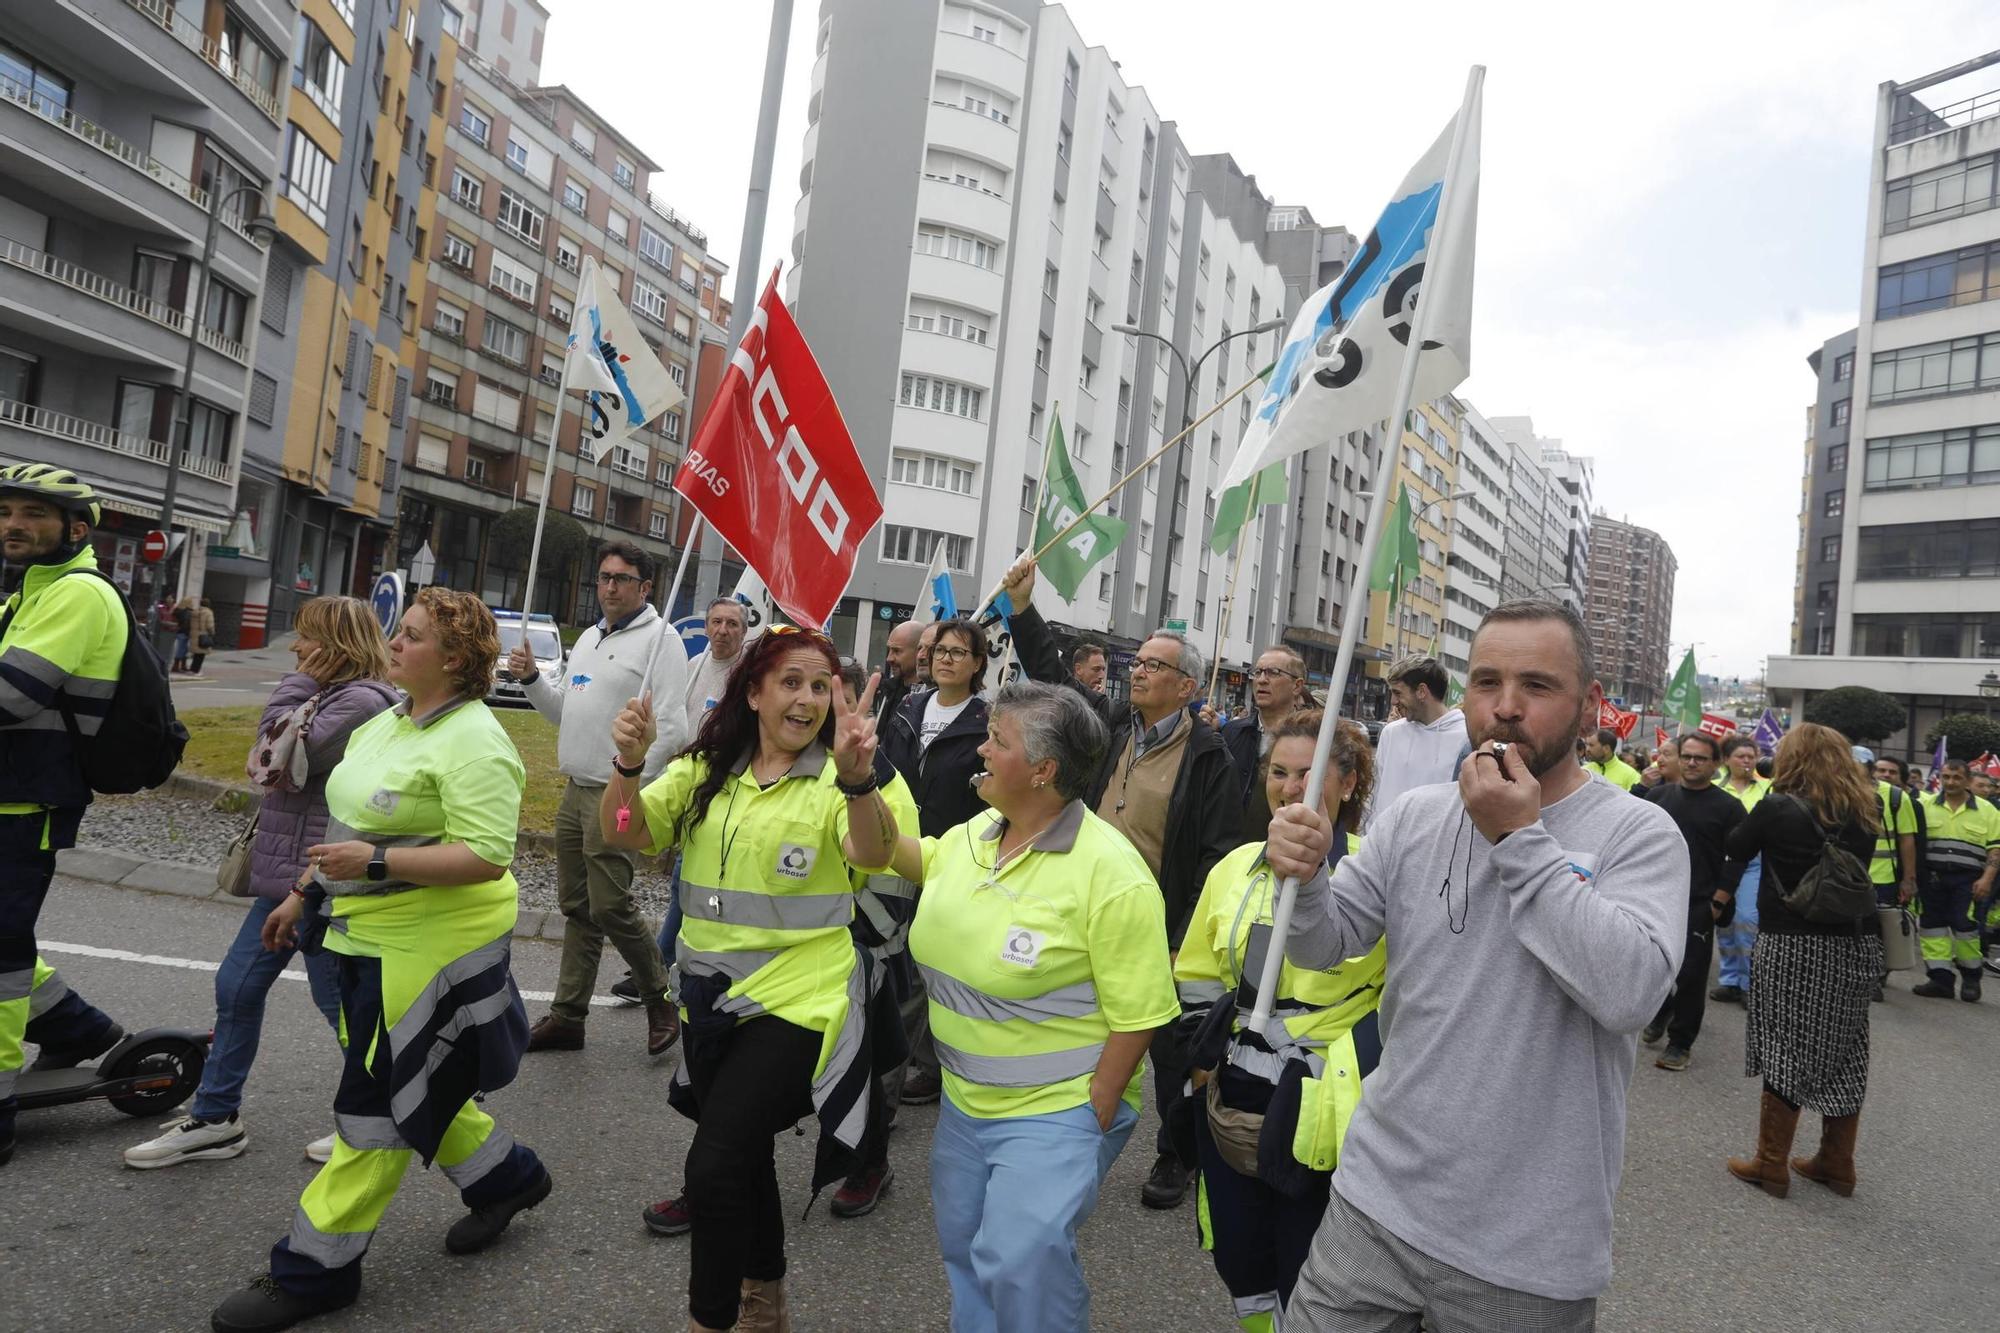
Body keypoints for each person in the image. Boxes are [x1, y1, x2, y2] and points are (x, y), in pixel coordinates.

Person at [1275, 598, 1688, 1330]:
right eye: (1487, 681)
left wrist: (1521, 838)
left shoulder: (1641, 833)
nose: (1505, 707)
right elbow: (1324, 946)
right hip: (1373, 1202)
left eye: (1536, 685)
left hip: (1527, 1249)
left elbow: (1631, 994)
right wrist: (1306, 882)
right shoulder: (1413, 815)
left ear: (1589, 706)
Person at [212, 588, 550, 1332]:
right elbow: (347, 824)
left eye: (414, 635)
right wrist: (303, 891)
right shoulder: (389, 722)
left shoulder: (477, 740)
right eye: (402, 631)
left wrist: (373, 863)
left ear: (455, 660)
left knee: (372, 1110)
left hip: (431, 951)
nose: (394, 643)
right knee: (411, 1082)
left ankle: (313, 1271)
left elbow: (488, 856)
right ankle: (512, 1179)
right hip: (362, 933)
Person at [602, 627, 914, 1332]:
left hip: (801, 1005)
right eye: (790, 682)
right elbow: (626, 829)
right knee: (741, 1155)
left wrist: (861, 779)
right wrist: (626, 763)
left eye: (817, 685)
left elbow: (875, 851)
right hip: (712, 1003)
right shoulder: (711, 769)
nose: (805, 698)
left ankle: (710, 1319)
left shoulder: (839, 777)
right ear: (753, 692)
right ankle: (763, 1301)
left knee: (711, 1168)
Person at [881, 681, 1178, 1333]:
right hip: (966, 1105)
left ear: (1043, 770)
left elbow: (1142, 1011)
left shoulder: (1112, 873)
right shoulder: (976, 835)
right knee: (970, 1254)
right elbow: (891, 853)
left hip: (1054, 1111)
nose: (980, 749)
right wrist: (856, 781)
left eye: (997, 740)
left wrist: (1091, 1112)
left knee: (1021, 1259)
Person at [124, 597, 399, 1170]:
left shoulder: (360, 703)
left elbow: (272, 757)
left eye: (306, 640)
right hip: (288, 879)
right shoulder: (328, 695)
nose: (296, 649)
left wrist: (298, 681)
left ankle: (381, 1116)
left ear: (335, 644)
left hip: (321, 884)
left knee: (340, 1006)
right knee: (237, 989)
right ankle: (217, 1118)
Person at [1001, 554, 1238, 1211]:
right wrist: (1022, 609)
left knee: (1167, 1052)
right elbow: (1054, 679)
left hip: (1158, 929)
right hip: (1084, 913)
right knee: (1075, 1036)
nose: (1139, 670)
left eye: (1155, 665)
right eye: (1139, 662)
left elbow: (1217, 858)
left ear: (1187, 685)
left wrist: (1185, 942)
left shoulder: (1210, 757)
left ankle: (1176, 1154)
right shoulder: (1110, 727)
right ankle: (1062, 1142)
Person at [1176, 712, 1382, 1329]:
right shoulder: (1232, 868)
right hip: (1233, 1100)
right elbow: (1196, 975)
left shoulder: (1374, 870)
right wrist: (1201, 1065)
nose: (1292, 788)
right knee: (1241, 1257)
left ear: (1347, 785)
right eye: (1280, 772)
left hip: (1326, 1113)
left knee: (1312, 1266)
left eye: (1310, 774)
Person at [0, 464, 130, 1169]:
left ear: (76, 529)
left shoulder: (77, 594)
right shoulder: (30, 592)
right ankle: (79, 1027)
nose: (12, 523)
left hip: (27, 802)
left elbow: (11, 695)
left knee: (0, 955)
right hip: (7, 793)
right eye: (6, 511)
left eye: (32, 514)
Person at [516, 541, 691, 1057]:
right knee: (577, 907)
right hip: (575, 790)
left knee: (611, 904)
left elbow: (674, 727)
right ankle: (569, 1017)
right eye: (603, 577)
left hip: (614, 790)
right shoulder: (591, 637)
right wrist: (530, 679)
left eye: (621, 578)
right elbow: (564, 710)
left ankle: (659, 997)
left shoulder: (663, 641)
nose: (609, 587)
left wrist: (631, 782)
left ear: (645, 586)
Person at [1721, 723, 1882, 1200]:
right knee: (1848, 1048)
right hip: (1855, 943)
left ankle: (1771, 1163)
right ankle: (1838, 1163)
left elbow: (1736, 844)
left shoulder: (1777, 807)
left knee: (1782, 1043)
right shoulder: (1863, 809)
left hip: (1792, 942)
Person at [876, 618, 994, 1116]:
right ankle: (899, 1070)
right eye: (940, 650)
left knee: (931, 969)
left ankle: (916, 1075)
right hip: (897, 850)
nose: (945, 659)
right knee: (893, 960)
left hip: (952, 857)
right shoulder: (906, 707)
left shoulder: (987, 721)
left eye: (958, 653)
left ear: (978, 664)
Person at [1639, 732, 1746, 1072]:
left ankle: (1680, 1042)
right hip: (1653, 897)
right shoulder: (1658, 797)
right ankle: (1660, 1009)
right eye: (1686, 756)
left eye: (1700, 758)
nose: (1691, 763)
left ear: (1716, 764)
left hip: (1699, 902)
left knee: (1691, 974)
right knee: (1651, 965)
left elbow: (1737, 858)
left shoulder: (1729, 807)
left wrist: (1719, 900)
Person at [1912, 757, 1999, 1002]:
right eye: (1946, 777)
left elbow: (1995, 849)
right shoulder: (1925, 805)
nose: (1950, 782)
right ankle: (1940, 980)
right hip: (1932, 879)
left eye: (1957, 777)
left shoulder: (1987, 810)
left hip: (1968, 880)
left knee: (1966, 928)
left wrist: (1987, 879)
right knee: (1932, 928)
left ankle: (1971, 978)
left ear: (1968, 780)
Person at [1217, 646, 1314, 845]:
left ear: (1297, 686)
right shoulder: (1231, 733)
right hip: (1231, 856)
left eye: (1273, 673)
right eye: (1258, 672)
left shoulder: (1311, 741)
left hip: (1286, 853)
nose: (1261, 679)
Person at [1368, 655, 1469, 824]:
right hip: (1381, 846)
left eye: (1398, 693)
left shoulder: (1465, 739)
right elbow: (1373, 793)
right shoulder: (1391, 733)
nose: (1393, 702)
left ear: (1421, 691)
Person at [1710, 735, 1772, 1006]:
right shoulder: (1713, 788)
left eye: (1751, 756)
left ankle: (1749, 983)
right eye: (1740, 756)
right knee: (1724, 923)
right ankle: (1730, 981)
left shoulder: (1769, 788)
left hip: (1753, 863)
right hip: (1720, 861)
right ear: (1726, 760)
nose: (1747, 761)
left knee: (1748, 920)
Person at [1855, 745, 1920, 920]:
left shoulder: (1895, 796)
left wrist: (1908, 880)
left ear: (1870, 768)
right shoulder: (1834, 791)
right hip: (1844, 877)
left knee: (1881, 933)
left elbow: (1907, 840)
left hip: (1882, 879)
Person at [682, 597, 749, 737]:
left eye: (732, 624)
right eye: (717, 622)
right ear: (706, 628)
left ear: (744, 632)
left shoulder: (751, 671)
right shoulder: (694, 665)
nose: (723, 630)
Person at [876, 618, 925, 721]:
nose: (889, 658)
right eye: (889, 650)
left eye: (896, 651)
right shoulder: (889, 690)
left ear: (919, 652)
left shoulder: (931, 699)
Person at [1583, 727, 1643, 792]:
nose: (1587, 749)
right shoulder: (1584, 770)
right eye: (1586, 745)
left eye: (1591, 745)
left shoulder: (1631, 775)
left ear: (1606, 749)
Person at [189, 595, 217, 676]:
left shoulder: (195, 612)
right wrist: (212, 632)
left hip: (194, 635)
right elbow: (209, 625)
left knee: (196, 655)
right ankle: (196, 671)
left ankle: (192, 669)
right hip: (203, 635)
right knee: (201, 655)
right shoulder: (208, 612)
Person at [171, 592, 196, 673]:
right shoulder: (187, 612)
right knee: (182, 650)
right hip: (184, 632)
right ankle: (179, 666)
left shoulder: (178, 610)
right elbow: (186, 623)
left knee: (181, 649)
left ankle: (179, 666)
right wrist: (188, 632)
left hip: (179, 631)